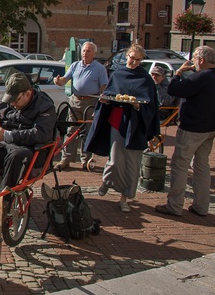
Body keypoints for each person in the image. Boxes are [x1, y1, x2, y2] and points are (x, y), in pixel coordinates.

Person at [0, 72, 55, 231]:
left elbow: (41, 134)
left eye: (16, 100)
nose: (12, 104)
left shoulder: (45, 105)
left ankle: (2, 206)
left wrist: (7, 135)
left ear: (27, 93)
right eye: (10, 100)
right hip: (4, 147)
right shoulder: (10, 101)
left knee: (16, 155)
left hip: (30, 151)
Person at [84, 44, 160, 213]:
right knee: (115, 159)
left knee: (132, 163)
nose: (133, 62)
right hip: (118, 120)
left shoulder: (145, 78)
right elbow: (109, 95)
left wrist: (138, 106)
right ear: (126, 56)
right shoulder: (117, 75)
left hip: (136, 124)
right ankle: (107, 182)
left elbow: (151, 105)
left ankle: (124, 197)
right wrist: (104, 101)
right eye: (131, 58)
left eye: (137, 59)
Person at [155, 46, 215, 217]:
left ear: (201, 60)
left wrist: (179, 73)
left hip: (192, 128)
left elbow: (174, 90)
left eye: (195, 59)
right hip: (209, 128)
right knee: (202, 165)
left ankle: (174, 205)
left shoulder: (201, 76)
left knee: (180, 165)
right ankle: (202, 206)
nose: (193, 63)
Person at [54, 41, 108, 170]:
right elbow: (63, 80)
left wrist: (103, 97)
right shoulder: (75, 65)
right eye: (83, 51)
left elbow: (104, 87)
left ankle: (86, 161)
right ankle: (65, 160)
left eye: (88, 51)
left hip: (91, 102)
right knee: (71, 130)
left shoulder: (100, 68)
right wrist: (58, 81)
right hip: (75, 101)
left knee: (88, 131)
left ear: (94, 53)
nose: (85, 53)